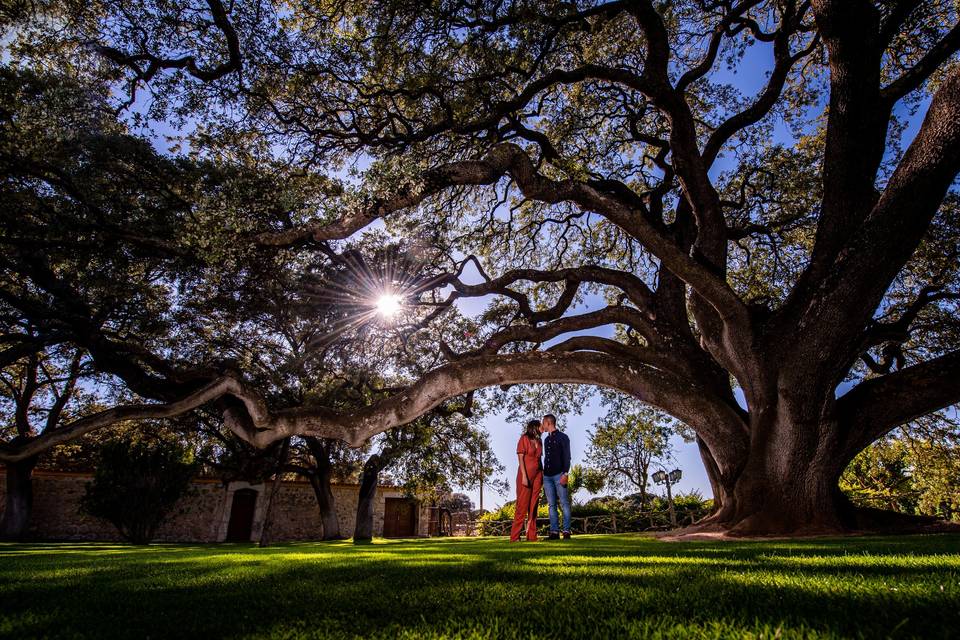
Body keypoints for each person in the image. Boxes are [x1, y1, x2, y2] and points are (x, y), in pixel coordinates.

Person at [510, 419, 543, 542]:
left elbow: (539, 460)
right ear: (534, 427)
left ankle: (532, 536)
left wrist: (542, 476)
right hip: (526, 476)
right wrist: (524, 476)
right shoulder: (524, 439)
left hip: (538, 475)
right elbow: (520, 458)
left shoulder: (539, 441)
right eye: (541, 427)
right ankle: (515, 537)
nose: (543, 429)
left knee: (534, 507)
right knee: (522, 506)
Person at [541, 413, 572, 539]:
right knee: (551, 505)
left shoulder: (563, 437)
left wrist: (565, 473)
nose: (542, 425)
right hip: (547, 476)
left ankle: (566, 531)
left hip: (559, 475)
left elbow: (567, 456)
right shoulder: (546, 439)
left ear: (549, 422)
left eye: (543, 423)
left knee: (564, 503)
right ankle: (554, 532)